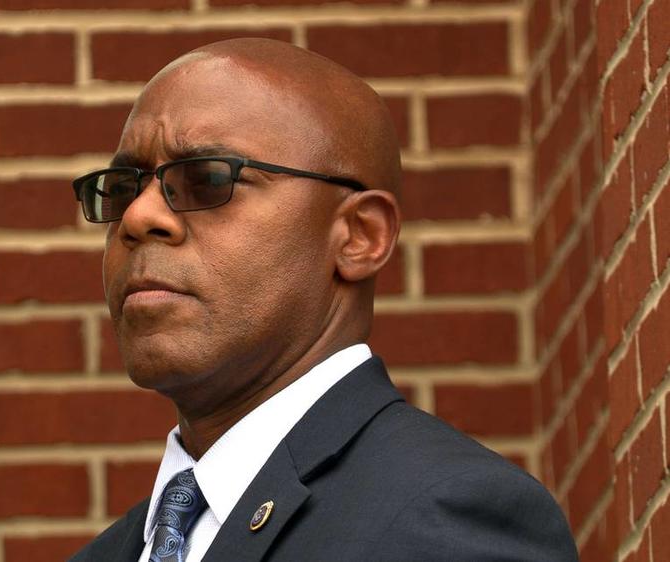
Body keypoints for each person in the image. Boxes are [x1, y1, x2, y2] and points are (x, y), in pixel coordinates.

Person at [69, 38, 577, 562]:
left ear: (360, 236)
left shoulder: (445, 516)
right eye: (124, 189)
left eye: (207, 180)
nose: (137, 217)